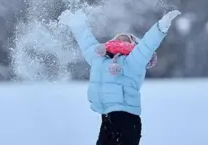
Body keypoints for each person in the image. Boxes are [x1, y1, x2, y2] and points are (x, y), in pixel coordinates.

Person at [59, 9, 181, 145]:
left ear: (134, 45)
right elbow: (86, 42)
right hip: (106, 119)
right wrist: (75, 23)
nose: (122, 39)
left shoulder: (134, 60)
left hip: (128, 120)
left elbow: (147, 44)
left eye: (127, 39)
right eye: (118, 38)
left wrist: (161, 26)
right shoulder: (99, 59)